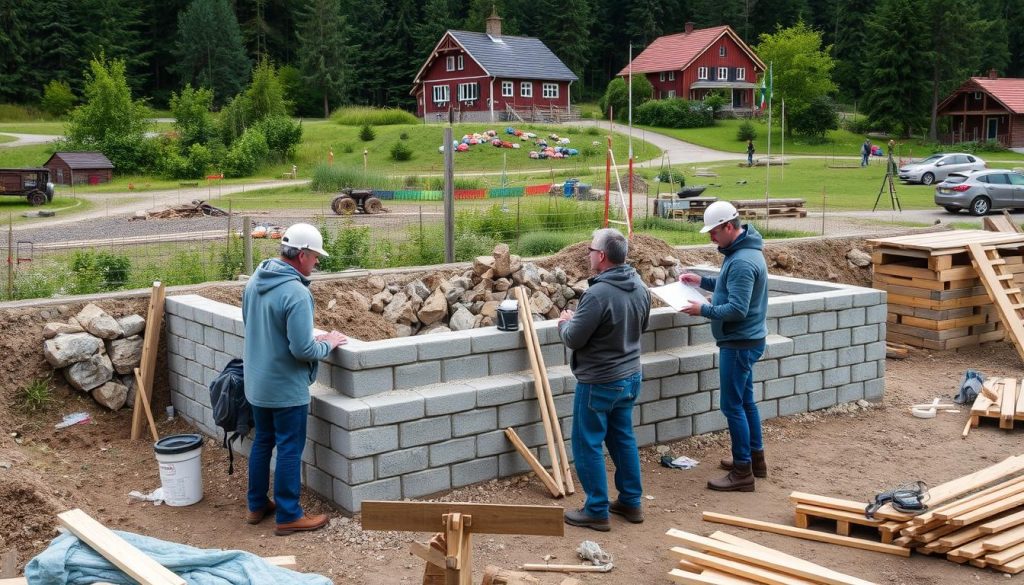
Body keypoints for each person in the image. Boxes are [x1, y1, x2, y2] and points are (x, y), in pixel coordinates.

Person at [242, 222, 347, 535]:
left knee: (263, 441)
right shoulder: (296, 293)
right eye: (315, 256)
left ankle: (256, 504)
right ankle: (288, 514)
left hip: (257, 381)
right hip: (285, 387)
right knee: (289, 447)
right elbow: (303, 349)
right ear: (301, 255)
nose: (317, 262)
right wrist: (329, 342)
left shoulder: (255, 281)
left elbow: (252, 325)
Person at [557, 228, 651, 531]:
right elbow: (642, 326)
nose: (587, 255)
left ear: (601, 256)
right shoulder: (639, 286)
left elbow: (573, 338)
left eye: (590, 250)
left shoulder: (597, 294)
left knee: (587, 444)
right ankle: (631, 502)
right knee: (623, 439)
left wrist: (564, 322)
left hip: (599, 381)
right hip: (630, 376)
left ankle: (596, 509)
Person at [679, 201, 768, 492]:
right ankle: (756, 460)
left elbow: (737, 308)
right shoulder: (744, 251)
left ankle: (743, 471)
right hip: (747, 339)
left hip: (739, 342)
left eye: (714, 232)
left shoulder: (742, 260)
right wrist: (703, 281)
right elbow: (731, 285)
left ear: (729, 227)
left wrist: (702, 309)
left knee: (732, 405)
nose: (711, 238)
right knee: (745, 402)